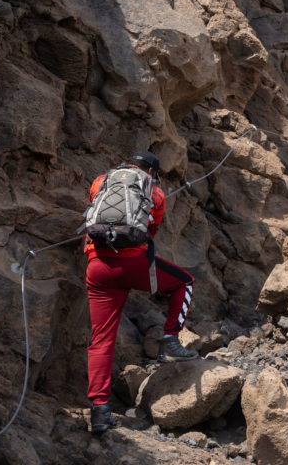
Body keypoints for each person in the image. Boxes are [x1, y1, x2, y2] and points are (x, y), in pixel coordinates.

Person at [84, 150, 197, 433]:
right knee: (184, 281)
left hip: (96, 267)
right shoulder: (155, 192)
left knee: (101, 341)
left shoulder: (100, 181)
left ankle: (99, 411)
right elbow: (151, 230)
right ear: (152, 171)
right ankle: (170, 341)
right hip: (132, 263)